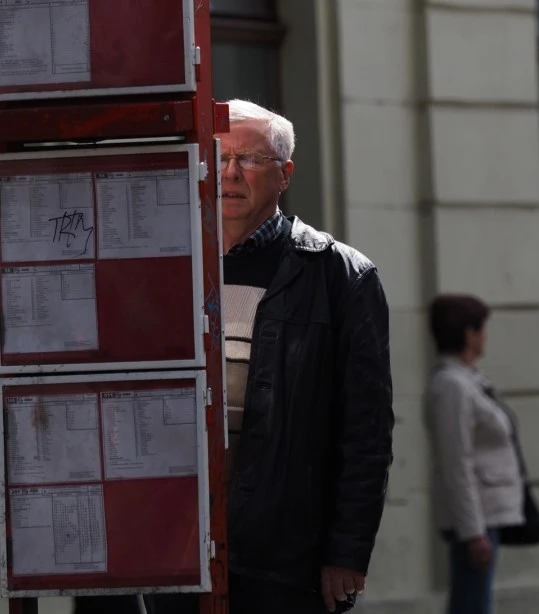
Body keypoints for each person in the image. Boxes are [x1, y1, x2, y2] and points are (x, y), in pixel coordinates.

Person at [149, 99, 394, 614]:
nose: (230, 173)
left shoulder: (339, 276)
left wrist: (346, 552)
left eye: (250, 159)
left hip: (284, 555)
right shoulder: (166, 264)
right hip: (178, 544)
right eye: (219, 157)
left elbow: (366, 431)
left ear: (285, 174)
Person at [422, 294, 524, 614]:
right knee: (472, 606)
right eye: (482, 328)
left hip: (484, 515)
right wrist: (473, 533)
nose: (486, 336)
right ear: (469, 334)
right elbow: (456, 462)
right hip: (476, 520)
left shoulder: (468, 380)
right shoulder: (453, 386)